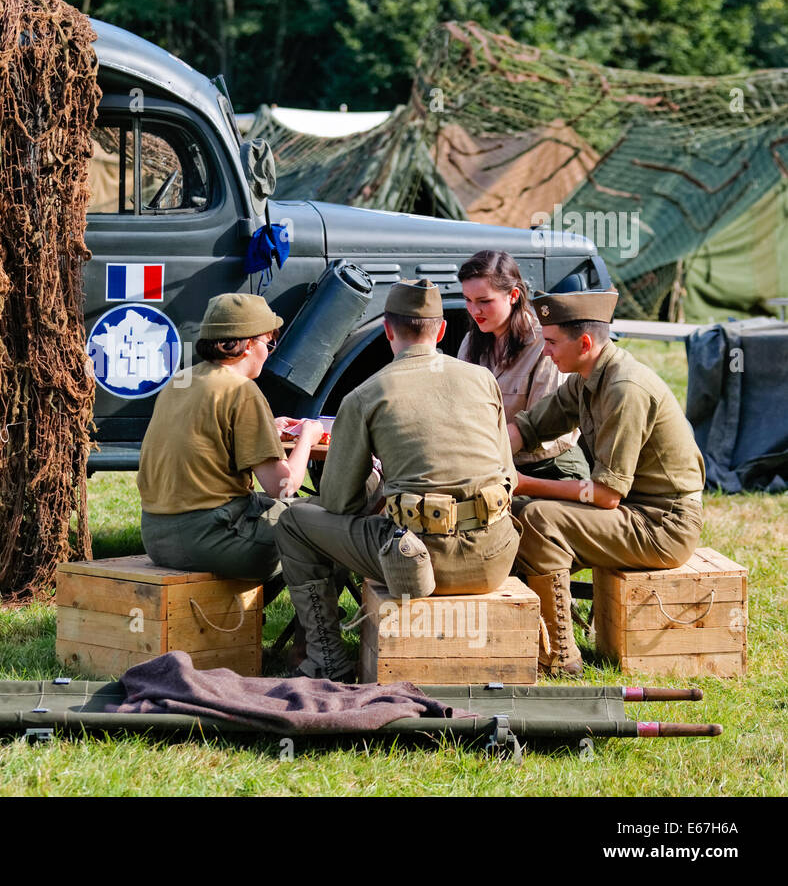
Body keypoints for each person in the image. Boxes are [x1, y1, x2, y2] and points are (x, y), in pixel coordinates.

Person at [275, 279, 521, 682]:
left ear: (387, 330)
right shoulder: (483, 380)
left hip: (417, 565)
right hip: (494, 559)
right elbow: (507, 474)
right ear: (441, 331)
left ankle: (325, 657)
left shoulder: (365, 395)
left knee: (294, 523)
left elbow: (338, 501)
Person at [508, 288, 706, 676]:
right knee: (513, 516)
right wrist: (479, 454)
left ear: (584, 342)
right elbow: (530, 428)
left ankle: (560, 657)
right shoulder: (586, 376)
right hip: (636, 510)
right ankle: (520, 636)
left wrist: (522, 482)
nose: (545, 352)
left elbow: (606, 494)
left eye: (551, 342)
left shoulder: (623, 388)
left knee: (539, 519)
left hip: (663, 525)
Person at [137, 293, 324, 601]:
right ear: (248, 344)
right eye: (268, 344)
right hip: (212, 541)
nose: (268, 353)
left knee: (299, 516)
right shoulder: (242, 390)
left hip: (157, 537)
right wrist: (308, 436)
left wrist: (267, 426)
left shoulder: (181, 381)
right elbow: (284, 487)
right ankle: (312, 646)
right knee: (326, 527)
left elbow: (206, 437)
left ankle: (253, 620)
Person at [458, 249, 590, 482]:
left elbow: (541, 429)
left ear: (513, 295)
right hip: (489, 464)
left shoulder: (546, 345)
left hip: (547, 468)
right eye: (468, 300)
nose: (474, 310)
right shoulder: (471, 342)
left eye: (484, 301)